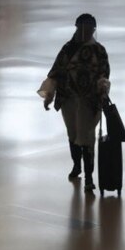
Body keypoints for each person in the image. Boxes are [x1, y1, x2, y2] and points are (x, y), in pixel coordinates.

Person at [42, 14, 111, 192]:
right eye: (83, 28)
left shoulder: (99, 51)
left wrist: (103, 88)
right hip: (69, 100)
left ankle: (88, 176)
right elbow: (55, 73)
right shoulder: (67, 50)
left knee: (87, 137)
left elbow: (104, 74)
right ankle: (77, 166)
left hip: (90, 102)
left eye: (90, 29)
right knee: (73, 135)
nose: (86, 32)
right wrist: (49, 94)